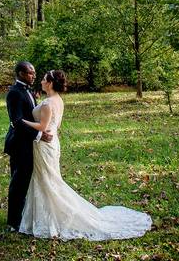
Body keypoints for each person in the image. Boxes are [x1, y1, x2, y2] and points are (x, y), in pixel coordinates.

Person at [16, 70, 152, 240]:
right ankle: (46, 216)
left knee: (48, 180)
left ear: (50, 83)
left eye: (44, 79)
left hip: (44, 145)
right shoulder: (58, 100)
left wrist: (21, 122)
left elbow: (43, 127)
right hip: (52, 142)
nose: (41, 81)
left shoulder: (48, 103)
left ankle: (58, 216)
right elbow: (54, 125)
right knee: (48, 179)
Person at [4, 61, 53, 232]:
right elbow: (16, 122)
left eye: (34, 72)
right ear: (20, 73)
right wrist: (39, 134)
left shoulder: (28, 90)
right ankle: (13, 222)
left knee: (24, 181)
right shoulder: (14, 93)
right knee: (18, 183)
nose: (33, 75)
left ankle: (22, 215)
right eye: (30, 73)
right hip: (19, 144)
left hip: (29, 143)